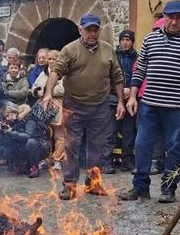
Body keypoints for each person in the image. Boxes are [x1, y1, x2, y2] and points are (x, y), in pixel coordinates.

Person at [120, 0, 180, 203]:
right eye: (170, 17)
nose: (174, 21)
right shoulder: (151, 39)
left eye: (178, 17)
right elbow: (140, 69)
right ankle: (140, 187)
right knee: (142, 143)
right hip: (150, 103)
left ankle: (168, 187)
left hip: (179, 106)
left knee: (174, 146)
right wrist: (134, 96)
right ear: (164, 17)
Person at [43, 14, 125, 200]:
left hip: (100, 106)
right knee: (72, 146)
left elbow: (117, 77)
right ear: (81, 30)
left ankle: (93, 184)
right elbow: (56, 71)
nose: (92, 33)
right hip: (74, 107)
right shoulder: (70, 50)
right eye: (88, 30)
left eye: (95, 30)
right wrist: (48, 93)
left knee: (97, 147)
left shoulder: (108, 50)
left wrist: (120, 101)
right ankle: (70, 185)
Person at [108, 30, 137, 172]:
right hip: (113, 99)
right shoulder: (112, 56)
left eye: (128, 40)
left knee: (129, 132)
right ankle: (106, 161)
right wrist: (118, 90)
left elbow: (138, 75)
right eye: (122, 40)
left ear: (132, 41)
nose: (125, 42)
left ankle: (127, 160)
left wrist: (131, 90)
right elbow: (108, 77)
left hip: (131, 99)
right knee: (111, 131)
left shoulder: (137, 57)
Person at [31, 49, 65, 171]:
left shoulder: (63, 74)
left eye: (53, 59)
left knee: (59, 135)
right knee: (46, 135)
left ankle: (58, 159)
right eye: (49, 59)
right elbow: (34, 87)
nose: (50, 61)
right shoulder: (43, 73)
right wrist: (38, 92)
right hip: (44, 108)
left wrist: (47, 91)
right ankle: (46, 158)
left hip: (58, 107)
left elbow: (62, 89)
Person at [0, 104, 48, 177]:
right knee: (4, 148)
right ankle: (17, 165)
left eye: (8, 115)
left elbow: (28, 136)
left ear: (14, 111)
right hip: (23, 147)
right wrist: (1, 132)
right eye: (5, 117)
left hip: (39, 146)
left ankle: (34, 168)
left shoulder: (29, 119)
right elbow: (4, 142)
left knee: (31, 142)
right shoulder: (11, 123)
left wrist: (11, 132)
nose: (7, 119)